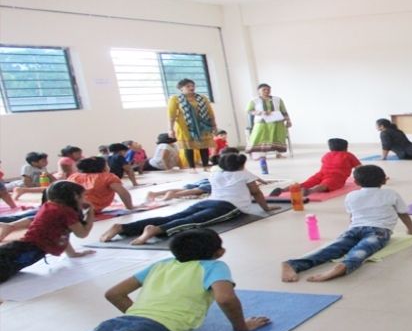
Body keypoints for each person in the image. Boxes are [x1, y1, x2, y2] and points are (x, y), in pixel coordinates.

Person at [4, 228, 270, 331]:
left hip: (116, 324)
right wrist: (242, 327)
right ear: (218, 252)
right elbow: (225, 297)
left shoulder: (162, 264)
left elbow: (114, 293)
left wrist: (136, 317)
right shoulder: (214, 266)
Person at [281, 165, 412, 282]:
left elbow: (352, 216)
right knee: (363, 249)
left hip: (354, 228)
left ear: (355, 182)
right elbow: (402, 213)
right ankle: (344, 265)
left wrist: (351, 230)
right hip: (379, 231)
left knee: (333, 248)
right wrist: (411, 229)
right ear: (384, 180)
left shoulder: (351, 195)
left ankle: (293, 264)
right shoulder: (391, 193)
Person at [100, 153, 280, 245]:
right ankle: (156, 230)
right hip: (229, 207)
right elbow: (256, 193)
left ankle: (122, 227)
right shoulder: (244, 174)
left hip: (207, 201)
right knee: (192, 222)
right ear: (241, 165)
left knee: (174, 216)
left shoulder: (215, 172)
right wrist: (266, 209)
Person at [0, 181, 95, 283]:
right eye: (83, 196)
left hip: (24, 247)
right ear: (75, 197)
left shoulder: (50, 205)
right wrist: (90, 213)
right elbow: (82, 233)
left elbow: (61, 233)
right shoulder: (66, 212)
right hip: (28, 249)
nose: (85, 200)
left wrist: (72, 253)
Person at [269, 138, 361, 197]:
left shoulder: (327, 155)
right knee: (326, 185)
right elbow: (359, 168)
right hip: (337, 175)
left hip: (321, 173)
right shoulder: (348, 155)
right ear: (346, 148)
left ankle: (283, 190)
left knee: (307, 182)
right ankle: (311, 191)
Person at [168, 78, 218, 171]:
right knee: (188, 147)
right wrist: (171, 129)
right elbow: (172, 116)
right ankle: (192, 168)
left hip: (202, 126)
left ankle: (206, 166)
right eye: (188, 86)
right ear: (181, 88)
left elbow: (210, 113)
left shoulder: (202, 98)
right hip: (185, 127)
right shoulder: (175, 99)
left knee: (204, 146)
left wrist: (214, 125)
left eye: (192, 86)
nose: (191, 88)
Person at [68, 157, 135, 212]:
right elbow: (123, 192)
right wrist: (130, 207)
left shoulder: (74, 176)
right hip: (91, 208)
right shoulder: (107, 177)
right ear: (104, 167)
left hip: (71, 207)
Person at [246, 83, 292, 159]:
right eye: (264, 89)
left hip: (277, 122)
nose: (266, 91)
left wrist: (288, 120)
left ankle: (279, 154)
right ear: (259, 91)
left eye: (268, 89)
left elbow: (284, 111)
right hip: (262, 122)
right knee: (260, 137)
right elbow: (249, 111)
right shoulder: (254, 100)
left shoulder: (278, 99)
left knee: (278, 137)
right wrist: (261, 112)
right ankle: (261, 155)